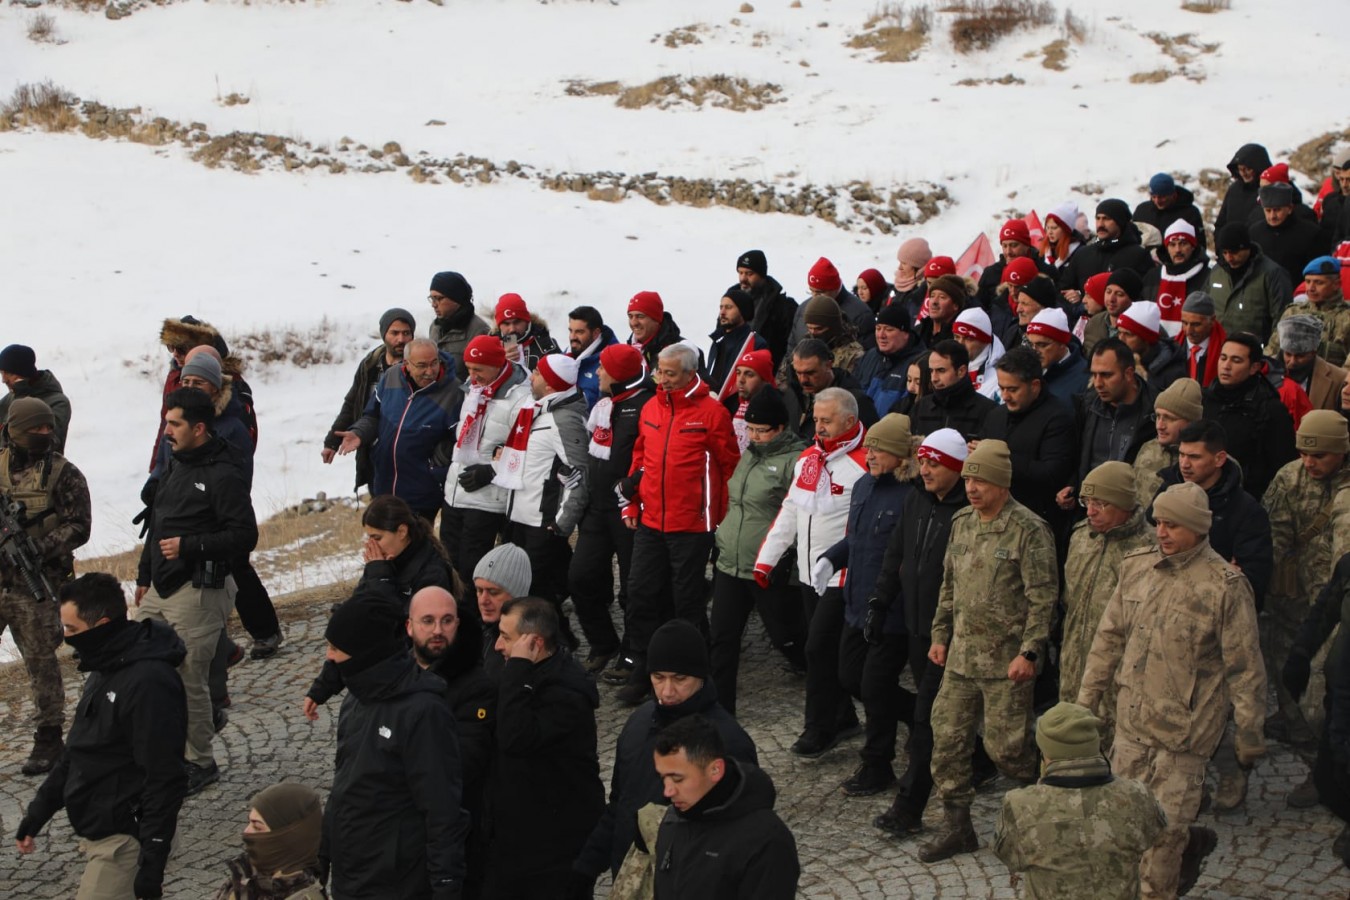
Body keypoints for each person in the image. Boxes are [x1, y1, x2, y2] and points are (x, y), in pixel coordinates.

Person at [1078, 482, 1266, 899]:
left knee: (1163, 842)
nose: (1161, 532)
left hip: (1184, 739)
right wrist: (1085, 702)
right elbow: (1107, 639)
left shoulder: (1225, 587)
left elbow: (1245, 667)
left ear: (1198, 529)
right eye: (1159, 522)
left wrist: (1250, 732)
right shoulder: (1137, 567)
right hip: (1131, 727)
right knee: (1121, 830)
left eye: (1173, 525)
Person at [921, 440, 1057, 863]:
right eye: (968, 479)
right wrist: (940, 635)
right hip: (961, 659)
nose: (973, 487)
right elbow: (948, 588)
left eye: (981, 480)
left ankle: (1035, 823)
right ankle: (958, 828)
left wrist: (1030, 652)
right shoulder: (962, 522)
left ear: (1002, 482)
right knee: (946, 742)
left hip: (1006, 664)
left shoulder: (1029, 530)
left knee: (1009, 750)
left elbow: (1043, 598)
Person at [15, 573, 187, 900]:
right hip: (100, 827)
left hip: (124, 838)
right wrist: (38, 811)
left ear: (102, 624)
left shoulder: (148, 683)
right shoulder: (105, 666)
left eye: (72, 630)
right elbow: (79, 750)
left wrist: (151, 862)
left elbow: (164, 777)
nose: (64, 637)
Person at [572, 620, 757, 897]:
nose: (667, 691)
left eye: (679, 678)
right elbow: (620, 806)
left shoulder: (729, 743)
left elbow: (739, 842)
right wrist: (586, 867)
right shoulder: (638, 724)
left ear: (701, 675)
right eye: (658, 677)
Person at [868, 429, 993, 839]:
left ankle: (908, 806)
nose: (924, 469)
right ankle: (976, 756)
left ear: (957, 468)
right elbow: (896, 555)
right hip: (916, 629)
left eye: (934, 463)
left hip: (951, 635)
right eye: (922, 461)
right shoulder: (916, 500)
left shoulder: (969, 513)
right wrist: (880, 601)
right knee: (930, 716)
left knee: (927, 721)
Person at [135, 387, 258, 795]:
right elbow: (157, 521)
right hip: (161, 587)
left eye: (175, 424)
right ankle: (154, 752)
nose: (166, 431)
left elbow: (245, 535)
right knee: (138, 665)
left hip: (201, 589)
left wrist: (190, 546)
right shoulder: (173, 463)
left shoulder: (224, 473)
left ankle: (200, 763)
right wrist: (143, 575)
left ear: (199, 428)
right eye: (166, 422)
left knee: (189, 678)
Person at [616, 343, 738, 705]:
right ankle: (644, 668)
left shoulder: (712, 413)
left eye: (670, 373)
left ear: (689, 374)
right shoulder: (652, 406)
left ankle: (697, 674)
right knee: (639, 595)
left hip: (692, 526)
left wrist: (723, 522)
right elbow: (641, 459)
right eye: (660, 371)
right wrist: (632, 502)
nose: (662, 379)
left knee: (687, 603)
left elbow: (730, 467)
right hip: (652, 520)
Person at [321, 598, 467, 900]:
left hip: (396, 883)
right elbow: (343, 790)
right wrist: (321, 858)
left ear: (364, 653)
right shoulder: (355, 700)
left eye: (336, 648)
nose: (329, 656)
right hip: (353, 877)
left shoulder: (424, 712)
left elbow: (442, 810)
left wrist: (446, 887)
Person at [754, 387, 867, 758]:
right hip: (807, 573)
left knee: (817, 650)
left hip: (841, 576)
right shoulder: (808, 459)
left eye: (826, 420)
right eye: (815, 419)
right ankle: (844, 716)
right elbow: (791, 511)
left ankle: (818, 728)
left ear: (849, 421)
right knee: (825, 650)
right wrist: (767, 558)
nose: (817, 427)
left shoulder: (864, 465)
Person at [149, 350, 281, 665]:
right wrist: (155, 482)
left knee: (236, 573)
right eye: (186, 380)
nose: (192, 386)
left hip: (220, 511)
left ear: (215, 385)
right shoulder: (180, 413)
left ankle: (264, 632)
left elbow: (235, 472)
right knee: (196, 584)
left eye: (199, 381)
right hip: (185, 509)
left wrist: (217, 501)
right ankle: (221, 649)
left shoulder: (231, 422)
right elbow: (167, 453)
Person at [820, 414, 916, 796]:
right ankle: (918, 716)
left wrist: (887, 602)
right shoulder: (863, 486)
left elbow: (899, 556)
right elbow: (858, 541)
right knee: (849, 676)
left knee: (875, 687)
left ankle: (877, 764)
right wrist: (832, 557)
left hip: (890, 611)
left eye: (878, 449)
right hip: (856, 603)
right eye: (869, 447)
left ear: (898, 454)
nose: (870, 455)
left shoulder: (911, 494)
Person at [487, 597, 604, 900]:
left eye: (505, 637)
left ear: (534, 643)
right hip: (520, 840)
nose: (498, 646)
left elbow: (515, 738)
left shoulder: (566, 695)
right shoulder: (524, 675)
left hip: (555, 850)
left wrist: (518, 668)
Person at [0, 397, 91, 774]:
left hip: (34, 582)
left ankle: (49, 737)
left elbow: (79, 526)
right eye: (35, 429)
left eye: (47, 428)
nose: (44, 434)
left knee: (41, 662)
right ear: (14, 431)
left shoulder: (64, 473)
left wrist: (38, 547)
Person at [994, 702, 1166, 900]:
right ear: (1095, 747)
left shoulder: (1019, 805)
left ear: (1046, 753)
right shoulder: (1137, 795)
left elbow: (1010, 858)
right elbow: (1156, 834)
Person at [708, 387, 808, 715]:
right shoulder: (751, 454)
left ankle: (814, 671)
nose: (752, 436)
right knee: (722, 638)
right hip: (731, 562)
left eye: (760, 430)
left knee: (785, 635)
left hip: (767, 566)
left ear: (780, 428)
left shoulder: (797, 460)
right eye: (749, 429)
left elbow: (799, 515)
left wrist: (787, 557)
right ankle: (721, 710)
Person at [1262, 411, 1350, 759]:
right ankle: (1296, 727)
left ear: (1342, 451)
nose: (1309, 462)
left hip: (1335, 609)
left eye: (1319, 455)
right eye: (1303, 454)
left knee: (1325, 680)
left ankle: (1324, 753)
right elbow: (1271, 533)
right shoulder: (1289, 478)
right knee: (1286, 664)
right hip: (1292, 595)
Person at [1058, 463, 1154, 751]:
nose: (1090, 511)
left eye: (1101, 504)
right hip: (1074, 666)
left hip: (1119, 675)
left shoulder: (1148, 549)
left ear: (1124, 505)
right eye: (1088, 502)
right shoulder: (1081, 538)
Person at [651, 715, 800, 900]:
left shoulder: (767, 841)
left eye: (677, 779)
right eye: (662, 777)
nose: (667, 791)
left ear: (715, 770)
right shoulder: (672, 821)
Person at [408, 586, 494, 900]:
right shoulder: (397, 675)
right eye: (427, 621)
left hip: (456, 835)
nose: (437, 630)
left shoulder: (475, 684)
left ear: (458, 624)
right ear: (410, 626)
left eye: (446, 621)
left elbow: (465, 762)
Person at [571, 344, 652, 673]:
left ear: (618, 373)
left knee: (634, 588)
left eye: (604, 368)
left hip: (629, 509)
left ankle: (633, 654)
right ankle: (603, 642)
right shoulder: (604, 405)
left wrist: (632, 486)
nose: (598, 373)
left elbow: (648, 456)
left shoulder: (645, 405)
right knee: (580, 578)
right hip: (597, 507)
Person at [497, 353, 589, 633]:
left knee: (538, 593)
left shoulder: (564, 418)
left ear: (550, 384)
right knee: (526, 589)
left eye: (536, 373)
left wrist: (560, 524)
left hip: (542, 522)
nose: (531, 376)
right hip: (520, 517)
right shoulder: (537, 409)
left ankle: (558, 644)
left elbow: (582, 475)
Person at [338, 338, 463, 524]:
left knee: (414, 548)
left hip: (422, 492)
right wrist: (360, 433)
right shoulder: (391, 376)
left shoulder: (454, 391)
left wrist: (434, 466)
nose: (430, 371)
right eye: (422, 366)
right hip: (384, 485)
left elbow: (460, 440)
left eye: (434, 363)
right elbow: (373, 415)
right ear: (407, 364)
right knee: (385, 547)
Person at [443, 335, 532, 586]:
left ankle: (480, 619)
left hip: (487, 497)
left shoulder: (519, 398)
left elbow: (524, 449)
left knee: (474, 566)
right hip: (455, 491)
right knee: (449, 563)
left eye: (478, 370)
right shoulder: (474, 389)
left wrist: (491, 471)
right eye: (469, 369)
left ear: (497, 364)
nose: (472, 376)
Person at [979, 347, 1077, 551]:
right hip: (992, 522)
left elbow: (1052, 474)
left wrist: (1000, 459)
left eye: (1012, 389)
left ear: (1034, 385)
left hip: (1034, 529)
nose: (1005, 396)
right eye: (1001, 388)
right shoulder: (995, 416)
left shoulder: (1058, 418)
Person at [322, 308, 416, 491]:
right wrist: (332, 441)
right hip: (371, 450)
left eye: (406, 333)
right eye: (394, 333)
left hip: (406, 455)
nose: (401, 339)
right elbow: (352, 403)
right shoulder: (370, 365)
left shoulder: (419, 368)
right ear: (383, 334)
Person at [1201, 332, 1297, 500]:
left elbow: (1283, 468)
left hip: (1246, 500)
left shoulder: (1271, 410)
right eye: (1223, 358)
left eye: (1236, 360)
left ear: (1254, 367)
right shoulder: (1204, 399)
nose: (1226, 366)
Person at [1063, 339, 1157, 507]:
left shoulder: (1154, 413)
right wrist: (1073, 485)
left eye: (1106, 375)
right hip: (1088, 509)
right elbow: (1078, 456)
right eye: (1094, 374)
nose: (1098, 383)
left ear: (1128, 374)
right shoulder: (1086, 405)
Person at [214, 783, 326, 900]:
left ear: (287, 837)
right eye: (249, 823)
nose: (246, 832)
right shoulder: (250, 873)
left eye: (257, 827)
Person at [1209, 223, 1292, 343]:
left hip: (1255, 353)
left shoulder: (1272, 274)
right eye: (1225, 252)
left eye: (1234, 252)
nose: (1229, 258)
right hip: (1218, 349)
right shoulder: (1217, 272)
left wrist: (1271, 354)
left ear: (1247, 248)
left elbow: (1282, 318)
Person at [780, 338, 879, 439]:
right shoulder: (792, 392)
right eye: (798, 372)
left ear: (828, 365)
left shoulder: (855, 402)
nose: (803, 380)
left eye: (810, 373)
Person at [1132, 377, 1203, 507]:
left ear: (1191, 422)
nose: (1160, 425)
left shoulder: (1208, 460)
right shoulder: (1147, 449)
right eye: (1158, 416)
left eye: (1169, 418)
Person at [910, 339, 997, 442]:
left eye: (941, 370)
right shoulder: (921, 407)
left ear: (961, 371)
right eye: (931, 371)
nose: (934, 378)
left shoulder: (988, 411)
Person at [1268, 257, 1350, 365]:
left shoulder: (1347, 316)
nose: (1311, 288)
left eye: (1319, 282)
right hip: (1290, 378)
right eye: (1307, 281)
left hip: (1333, 379)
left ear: (1336, 284)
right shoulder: (1293, 312)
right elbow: (1272, 350)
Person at [1065, 198, 1156, 291]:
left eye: (1106, 219)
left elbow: (1146, 294)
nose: (1100, 224)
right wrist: (1076, 296)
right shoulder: (1083, 254)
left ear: (1120, 222)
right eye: (1098, 218)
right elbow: (1063, 289)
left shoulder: (1139, 256)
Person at [787, 256, 875, 351]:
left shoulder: (860, 315)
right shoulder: (803, 309)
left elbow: (865, 359)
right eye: (811, 291)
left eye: (820, 292)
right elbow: (791, 348)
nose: (815, 296)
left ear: (835, 289)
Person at [1251, 182, 1331, 286]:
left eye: (1277, 210)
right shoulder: (1254, 232)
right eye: (1268, 210)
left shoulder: (1311, 234)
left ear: (1289, 208)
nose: (1272, 216)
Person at [472, 542, 532, 681]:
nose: (483, 600)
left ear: (517, 595)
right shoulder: (472, 631)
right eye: (479, 590)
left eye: (493, 592)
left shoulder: (531, 646)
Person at [0, 344, 72, 453]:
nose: (3, 380)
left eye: (8, 373)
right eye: (1, 373)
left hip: (41, 469)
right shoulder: (10, 398)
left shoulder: (58, 402)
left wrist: (22, 392)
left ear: (22, 372)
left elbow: (49, 444)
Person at [854, 303, 924, 415]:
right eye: (878, 328)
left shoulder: (918, 364)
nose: (881, 335)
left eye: (889, 330)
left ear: (905, 333)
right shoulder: (869, 356)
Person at [1142, 221, 1210, 333]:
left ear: (1193, 247)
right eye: (1172, 245)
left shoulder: (1208, 277)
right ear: (1167, 248)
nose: (1178, 250)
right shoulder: (1153, 276)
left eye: (1183, 244)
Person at [736, 249, 799, 368]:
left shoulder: (782, 307)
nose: (743, 278)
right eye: (740, 273)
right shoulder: (731, 302)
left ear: (762, 275)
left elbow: (791, 346)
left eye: (749, 274)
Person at [428, 270, 492, 380]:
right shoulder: (435, 327)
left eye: (439, 298)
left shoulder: (480, 331)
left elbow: (482, 379)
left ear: (456, 299)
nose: (434, 304)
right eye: (432, 298)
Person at [704, 286, 765, 399]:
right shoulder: (718, 340)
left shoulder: (755, 343)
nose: (722, 312)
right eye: (721, 307)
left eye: (728, 307)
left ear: (743, 311)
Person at [1278, 315, 1348, 410]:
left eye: (1300, 356)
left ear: (1314, 352)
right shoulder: (1264, 372)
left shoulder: (1339, 378)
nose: (1292, 361)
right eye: (1288, 354)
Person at [1026, 308, 1089, 406]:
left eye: (1042, 345)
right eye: (1031, 344)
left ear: (1062, 344)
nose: (1035, 351)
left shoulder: (1086, 377)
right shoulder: (1026, 368)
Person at [1119, 302, 1186, 392]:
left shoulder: (1173, 373)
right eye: (1120, 332)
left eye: (1128, 334)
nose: (1121, 339)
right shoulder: (1119, 359)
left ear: (1146, 339)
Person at [627, 290, 698, 375]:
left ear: (656, 319)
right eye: (630, 317)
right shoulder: (629, 350)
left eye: (640, 316)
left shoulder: (683, 349)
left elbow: (705, 384)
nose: (634, 323)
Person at [1134, 173, 1207, 251]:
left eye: (1162, 197)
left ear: (1173, 194)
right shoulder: (1142, 210)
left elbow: (1199, 245)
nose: (1157, 201)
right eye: (1153, 196)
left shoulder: (1190, 213)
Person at [566, 305, 619, 410]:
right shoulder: (567, 355)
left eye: (579, 332)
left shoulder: (612, 362)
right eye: (571, 331)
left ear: (596, 333)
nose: (572, 337)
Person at [492, 292, 561, 371]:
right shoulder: (489, 346)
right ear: (499, 326)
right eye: (506, 324)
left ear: (527, 321)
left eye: (517, 322)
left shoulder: (546, 345)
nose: (512, 329)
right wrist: (500, 363)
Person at [1082, 268, 1142, 355]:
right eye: (1108, 292)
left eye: (1119, 294)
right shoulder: (1093, 323)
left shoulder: (1142, 327)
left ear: (1132, 299)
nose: (1111, 299)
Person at [1214, 143, 1272, 232]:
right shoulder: (1234, 190)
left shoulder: (1272, 189)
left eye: (1248, 169)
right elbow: (1221, 223)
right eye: (1240, 169)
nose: (1243, 173)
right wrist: (1221, 243)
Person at [953, 307, 1005, 399]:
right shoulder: (947, 370)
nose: (960, 343)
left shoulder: (1000, 379)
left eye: (968, 338)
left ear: (984, 341)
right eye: (957, 337)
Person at [1177, 292, 1227, 386]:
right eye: (1184, 323)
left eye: (1196, 324)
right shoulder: (1171, 349)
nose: (1188, 331)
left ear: (1212, 320)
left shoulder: (1226, 350)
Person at [891, 237, 933, 321]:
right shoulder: (897, 286)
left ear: (918, 265)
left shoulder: (925, 291)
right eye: (900, 262)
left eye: (904, 263)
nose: (899, 268)